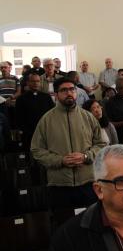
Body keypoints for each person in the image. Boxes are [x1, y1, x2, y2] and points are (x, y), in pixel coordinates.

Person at [31, 77, 106, 210]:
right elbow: (37, 150)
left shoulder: (88, 117)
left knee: (91, 224)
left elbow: (102, 144)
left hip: (88, 182)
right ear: (56, 94)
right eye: (64, 90)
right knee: (64, 226)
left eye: (72, 89)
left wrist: (86, 156)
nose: (69, 93)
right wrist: (60, 161)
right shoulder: (46, 120)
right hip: (59, 185)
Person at [15, 71, 54, 150]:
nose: (35, 83)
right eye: (33, 81)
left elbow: (52, 114)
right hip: (28, 133)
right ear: (28, 83)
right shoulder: (21, 99)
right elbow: (19, 117)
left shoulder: (46, 97)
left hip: (45, 131)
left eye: (37, 81)